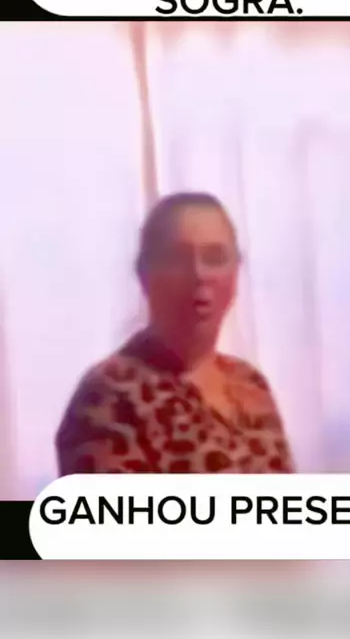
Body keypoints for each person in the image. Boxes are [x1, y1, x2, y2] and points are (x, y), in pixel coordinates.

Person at [56, 192, 294, 475]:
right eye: (178, 259)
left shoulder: (250, 384)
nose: (200, 274)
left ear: (236, 272)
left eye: (215, 257)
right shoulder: (109, 395)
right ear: (144, 274)